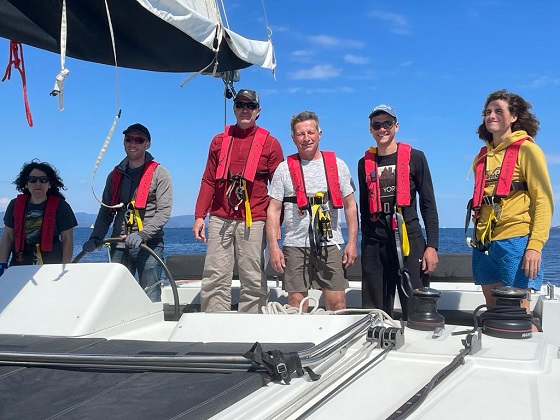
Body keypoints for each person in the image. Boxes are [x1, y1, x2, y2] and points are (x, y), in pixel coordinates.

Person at [193, 89, 284, 313]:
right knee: (215, 274)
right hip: (219, 218)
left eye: (250, 106)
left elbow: (280, 190)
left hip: (254, 220)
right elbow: (208, 179)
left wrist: (277, 226)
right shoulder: (218, 141)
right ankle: (215, 323)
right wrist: (199, 216)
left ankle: (250, 325)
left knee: (252, 276)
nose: (245, 110)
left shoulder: (271, 144)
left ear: (258, 111)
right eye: (241, 105)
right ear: (234, 109)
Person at [467, 89, 553, 313]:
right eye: (487, 111)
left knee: (517, 312)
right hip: (484, 242)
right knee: (493, 310)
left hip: (515, 240)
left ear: (514, 117)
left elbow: (543, 201)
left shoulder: (528, 150)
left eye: (498, 111)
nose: (491, 116)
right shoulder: (482, 156)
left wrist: (535, 246)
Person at [266, 111, 358, 311]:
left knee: (337, 302)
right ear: (293, 138)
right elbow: (273, 210)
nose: (306, 138)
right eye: (300, 134)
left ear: (319, 133)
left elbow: (351, 205)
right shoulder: (283, 169)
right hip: (295, 245)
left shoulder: (338, 165)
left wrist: (352, 243)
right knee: (296, 304)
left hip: (330, 243)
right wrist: (274, 247)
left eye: (310, 132)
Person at [358, 104, 439, 319]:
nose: (382, 129)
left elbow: (428, 204)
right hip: (375, 243)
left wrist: (431, 246)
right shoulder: (363, 164)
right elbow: (364, 209)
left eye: (387, 123)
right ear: (370, 129)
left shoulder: (416, 158)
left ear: (396, 126)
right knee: (374, 311)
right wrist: (365, 247)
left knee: (416, 306)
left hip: (409, 239)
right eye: (377, 125)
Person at [82, 123, 173, 302]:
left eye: (138, 140)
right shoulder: (114, 175)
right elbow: (106, 211)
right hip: (119, 245)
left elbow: (164, 212)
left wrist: (143, 234)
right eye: (128, 139)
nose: (132, 143)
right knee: (117, 297)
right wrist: (95, 237)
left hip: (149, 245)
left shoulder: (160, 174)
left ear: (147, 144)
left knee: (150, 295)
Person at [0, 160, 77, 274]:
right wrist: (2, 264)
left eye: (43, 180)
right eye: (33, 180)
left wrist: (65, 267)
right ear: (26, 183)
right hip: (20, 263)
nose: (38, 183)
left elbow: (67, 239)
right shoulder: (14, 204)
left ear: (49, 184)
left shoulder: (61, 206)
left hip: (52, 264)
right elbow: (8, 236)